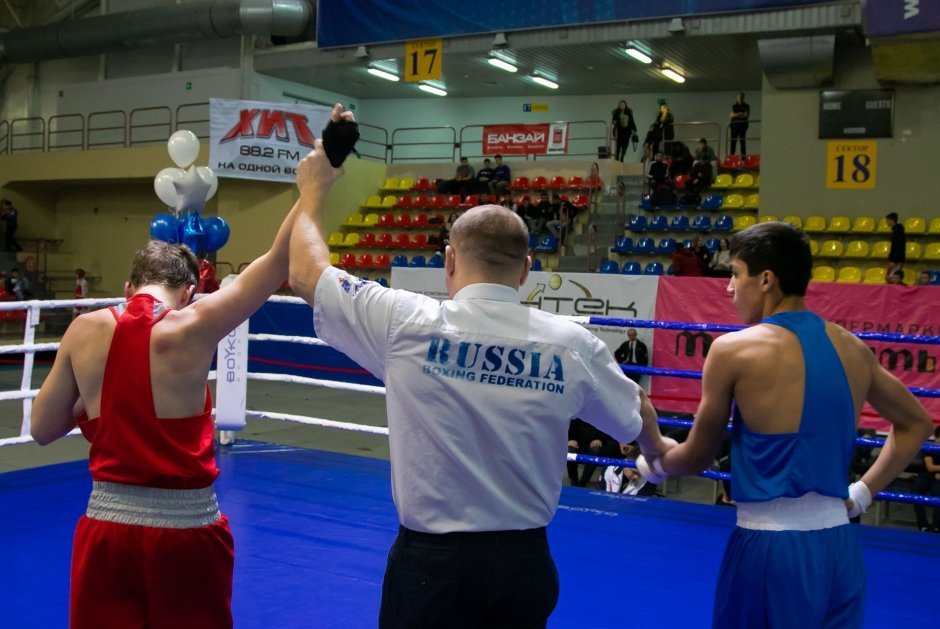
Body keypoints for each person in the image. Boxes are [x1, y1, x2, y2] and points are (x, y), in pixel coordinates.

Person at [287, 126, 671, 627]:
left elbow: (304, 272)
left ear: (448, 261)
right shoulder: (570, 343)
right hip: (522, 565)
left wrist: (315, 188)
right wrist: (658, 449)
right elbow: (637, 412)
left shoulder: (405, 320)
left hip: (432, 566)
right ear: (526, 269)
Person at [28, 106, 355, 629]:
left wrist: (95, 398)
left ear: (130, 286)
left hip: (105, 529)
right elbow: (276, 264)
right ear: (190, 289)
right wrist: (317, 185)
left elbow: (42, 429)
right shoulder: (194, 323)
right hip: (186, 532)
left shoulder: (83, 331)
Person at [635, 221, 934, 627]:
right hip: (839, 548)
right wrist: (862, 494)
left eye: (735, 274)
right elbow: (916, 422)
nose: (728, 287)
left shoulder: (733, 350)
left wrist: (654, 458)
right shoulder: (852, 347)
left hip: (770, 549)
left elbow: (697, 456)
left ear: (766, 280)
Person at [913, 427, 940, 532]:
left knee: (939, 496)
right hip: (925, 476)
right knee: (915, 494)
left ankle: (936, 526)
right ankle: (923, 525)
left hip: (938, 480)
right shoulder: (930, 449)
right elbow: (930, 467)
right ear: (936, 438)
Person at [729, 92, 750, 156]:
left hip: (742, 126)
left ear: (743, 98)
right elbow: (732, 115)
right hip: (734, 126)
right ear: (736, 97)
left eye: (741, 97)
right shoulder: (734, 106)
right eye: (738, 96)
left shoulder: (747, 106)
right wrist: (740, 113)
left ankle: (743, 158)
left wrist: (736, 115)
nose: (740, 98)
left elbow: (746, 115)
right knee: (733, 142)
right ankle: (732, 157)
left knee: (742, 142)